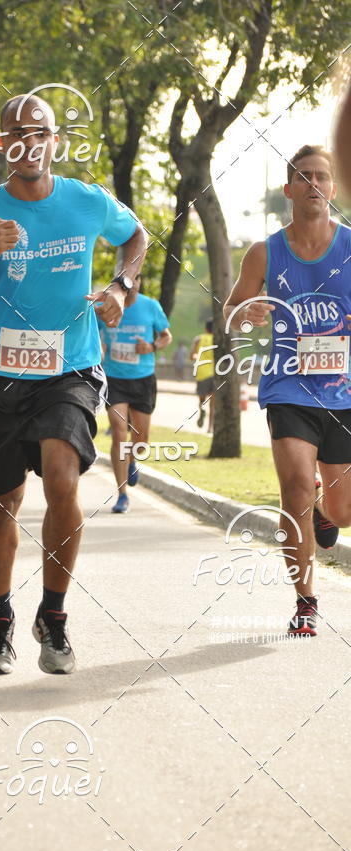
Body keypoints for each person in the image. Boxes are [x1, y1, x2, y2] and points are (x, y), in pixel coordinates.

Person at [0, 93, 147, 675]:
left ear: (55, 141)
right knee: (1, 501)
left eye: (40, 131)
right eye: (16, 132)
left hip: (71, 368)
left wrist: (122, 288)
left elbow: (137, 237)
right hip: (0, 375)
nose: (29, 141)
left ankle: (53, 616)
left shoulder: (85, 201)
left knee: (62, 478)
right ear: (2, 143)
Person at [224, 144, 351, 637]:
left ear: (334, 189)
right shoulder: (265, 252)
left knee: (342, 510)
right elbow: (231, 313)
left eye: (322, 176)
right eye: (304, 176)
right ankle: (305, 600)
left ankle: (325, 509)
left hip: (344, 393)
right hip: (288, 388)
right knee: (295, 485)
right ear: (289, 189)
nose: (314, 183)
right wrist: (246, 312)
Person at [98, 274, 172, 513]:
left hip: (142, 378)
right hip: (115, 378)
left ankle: (132, 459)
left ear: (140, 282)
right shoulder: (106, 306)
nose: (132, 283)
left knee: (140, 442)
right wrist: (99, 348)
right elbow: (91, 331)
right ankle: (122, 495)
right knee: (119, 435)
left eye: (137, 278)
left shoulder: (150, 306)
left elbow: (166, 336)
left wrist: (151, 347)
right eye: (126, 280)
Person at [190, 318, 215, 431]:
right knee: (213, 404)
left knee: (201, 399)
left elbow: (191, 356)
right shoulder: (218, 340)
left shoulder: (198, 339)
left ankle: (202, 410)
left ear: (205, 328)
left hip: (201, 373)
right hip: (215, 373)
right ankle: (210, 428)